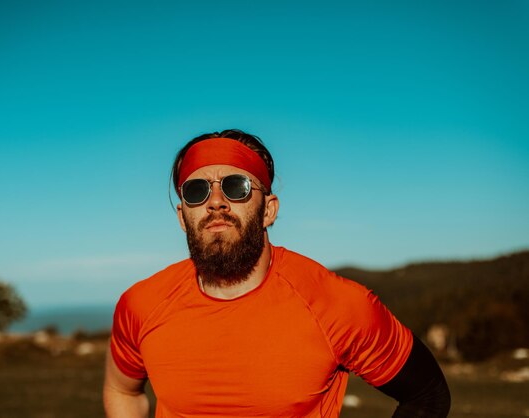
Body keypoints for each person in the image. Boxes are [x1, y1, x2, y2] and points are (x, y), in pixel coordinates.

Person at [103, 129, 451, 418]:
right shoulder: (141, 304)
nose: (216, 202)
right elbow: (122, 389)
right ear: (183, 217)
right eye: (197, 191)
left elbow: (427, 395)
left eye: (236, 187)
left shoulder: (337, 305)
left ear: (268, 210)